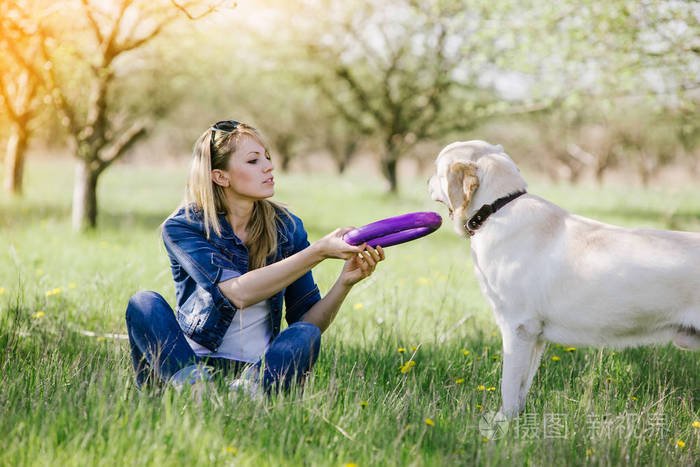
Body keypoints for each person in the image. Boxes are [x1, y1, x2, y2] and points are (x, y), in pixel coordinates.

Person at [125, 120, 385, 396]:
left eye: (268, 158)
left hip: (255, 370)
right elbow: (238, 293)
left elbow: (307, 321)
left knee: (306, 333)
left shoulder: (287, 227)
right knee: (143, 304)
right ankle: (195, 391)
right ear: (220, 176)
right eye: (253, 160)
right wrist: (318, 251)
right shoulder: (184, 227)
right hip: (191, 362)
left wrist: (344, 282)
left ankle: (248, 394)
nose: (269, 166)